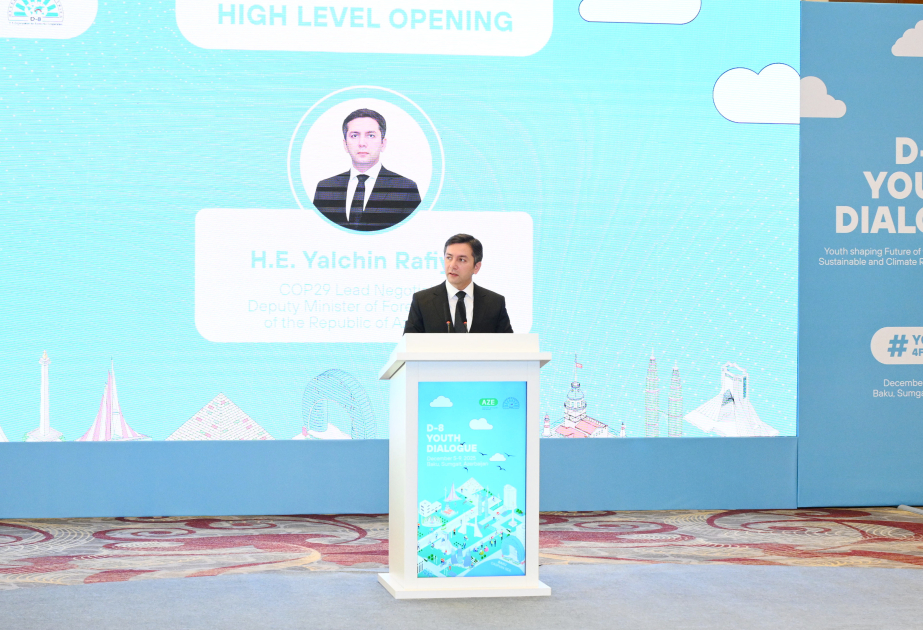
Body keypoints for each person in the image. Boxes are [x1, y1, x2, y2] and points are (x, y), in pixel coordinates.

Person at [313, 108, 421, 232]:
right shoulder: (325, 188)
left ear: (383, 143)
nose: (362, 143)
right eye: (354, 135)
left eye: (370, 135)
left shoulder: (406, 189)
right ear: (345, 144)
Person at [403, 234, 514, 334]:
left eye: (461, 260)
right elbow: (408, 344)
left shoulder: (494, 303)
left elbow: (509, 345)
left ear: (476, 267)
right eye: (449, 258)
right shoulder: (422, 301)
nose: (452, 265)